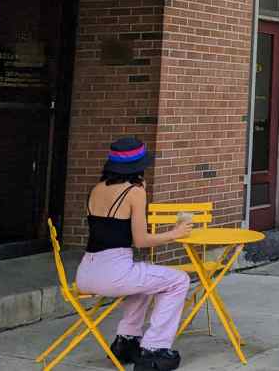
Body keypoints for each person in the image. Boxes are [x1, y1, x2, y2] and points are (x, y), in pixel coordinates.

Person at [74, 137, 192, 371]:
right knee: (180, 280)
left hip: (86, 272)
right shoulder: (135, 192)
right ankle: (154, 349)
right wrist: (175, 233)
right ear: (137, 168)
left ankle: (126, 341)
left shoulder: (96, 189)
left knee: (143, 281)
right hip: (115, 273)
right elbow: (141, 240)